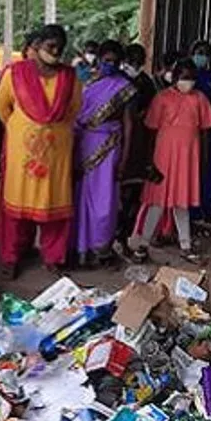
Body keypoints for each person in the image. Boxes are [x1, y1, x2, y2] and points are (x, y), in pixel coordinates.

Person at [0, 24, 82, 276]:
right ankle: (10, 257)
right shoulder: (16, 73)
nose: (55, 51)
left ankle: (53, 256)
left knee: (54, 204)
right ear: (38, 46)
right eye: (50, 46)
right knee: (16, 204)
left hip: (57, 152)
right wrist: (22, 129)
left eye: (59, 47)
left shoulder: (70, 77)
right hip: (23, 151)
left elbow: (74, 109)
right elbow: (2, 107)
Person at [131, 59, 211, 263]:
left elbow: (205, 132)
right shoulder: (162, 98)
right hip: (163, 156)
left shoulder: (200, 99)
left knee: (182, 203)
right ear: (175, 77)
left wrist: (204, 159)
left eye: (191, 79)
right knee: (157, 202)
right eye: (184, 78)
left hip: (188, 158)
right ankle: (143, 244)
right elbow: (151, 131)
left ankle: (185, 245)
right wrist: (149, 161)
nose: (188, 82)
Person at [72, 40, 137, 266]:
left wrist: (125, 160)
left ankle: (101, 249)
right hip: (83, 143)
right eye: (106, 60)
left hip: (109, 146)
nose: (109, 64)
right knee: (81, 198)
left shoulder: (125, 88)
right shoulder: (87, 83)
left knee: (104, 201)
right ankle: (80, 249)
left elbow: (129, 126)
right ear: (98, 59)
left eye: (114, 61)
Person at [0, 29, 43, 253]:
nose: (39, 53)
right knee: (11, 192)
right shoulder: (12, 73)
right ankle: (1, 242)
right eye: (34, 47)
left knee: (35, 193)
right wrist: (15, 131)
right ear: (27, 49)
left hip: (43, 147)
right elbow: (1, 108)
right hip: (15, 141)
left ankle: (26, 243)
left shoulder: (54, 77)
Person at [116, 43, 158, 258]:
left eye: (139, 61)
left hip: (139, 145)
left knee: (133, 196)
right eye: (131, 60)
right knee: (115, 197)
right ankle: (112, 237)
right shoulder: (116, 82)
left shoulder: (146, 83)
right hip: (116, 143)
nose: (135, 65)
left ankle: (125, 238)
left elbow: (151, 112)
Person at [190, 40, 211, 224]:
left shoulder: (209, 77)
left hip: (208, 129)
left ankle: (209, 209)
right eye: (199, 52)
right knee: (194, 170)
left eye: (205, 53)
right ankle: (193, 212)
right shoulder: (188, 76)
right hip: (192, 130)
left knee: (210, 169)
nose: (202, 56)